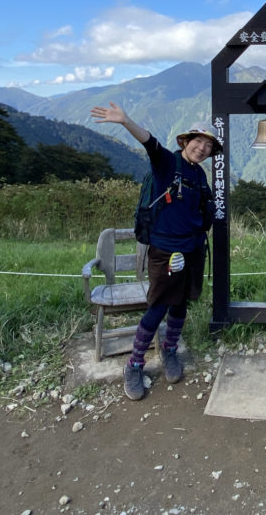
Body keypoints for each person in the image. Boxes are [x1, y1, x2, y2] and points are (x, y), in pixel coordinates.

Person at [90, 101, 220, 401]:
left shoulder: (198, 175)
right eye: (197, 141)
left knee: (181, 304)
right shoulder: (167, 165)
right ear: (185, 142)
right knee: (159, 305)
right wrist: (125, 121)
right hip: (165, 250)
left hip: (192, 248)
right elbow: (151, 143)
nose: (202, 148)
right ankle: (134, 364)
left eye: (208, 146)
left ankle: (170, 351)